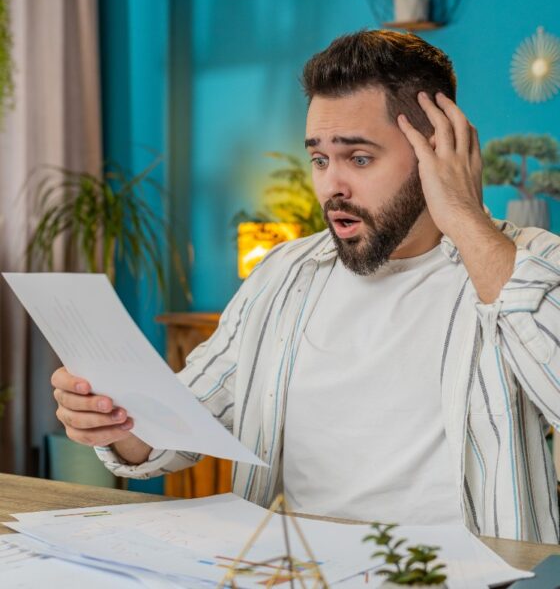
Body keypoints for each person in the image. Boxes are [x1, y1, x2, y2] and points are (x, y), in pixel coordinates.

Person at [51, 30, 560, 543]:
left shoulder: (530, 263)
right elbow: (182, 422)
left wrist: (467, 221)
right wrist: (115, 424)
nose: (331, 186)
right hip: (287, 570)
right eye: (320, 159)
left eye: (359, 159)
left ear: (438, 150)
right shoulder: (282, 274)